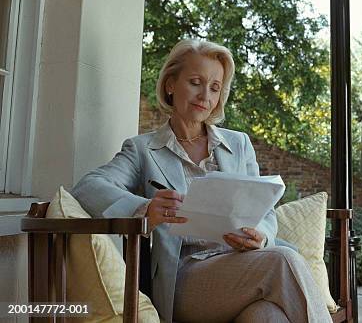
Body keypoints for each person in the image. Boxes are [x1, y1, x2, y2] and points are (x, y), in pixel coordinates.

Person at [71, 39, 332, 323]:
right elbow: (88, 187)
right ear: (171, 84)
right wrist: (145, 208)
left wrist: (260, 235)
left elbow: (265, 213)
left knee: (267, 316)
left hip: (245, 265)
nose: (205, 95)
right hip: (185, 278)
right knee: (282, 260)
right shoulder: (142, 150)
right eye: (195, 82)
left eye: (215, 87)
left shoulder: (239, 144)